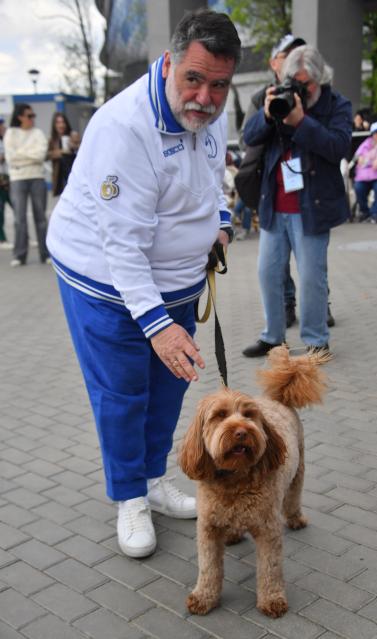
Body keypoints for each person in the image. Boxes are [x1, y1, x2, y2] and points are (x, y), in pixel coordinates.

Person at [46, 9, 241, 558]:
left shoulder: (210, 112)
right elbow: (122, 245)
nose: (204, 96)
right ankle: (129, 495)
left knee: (169, 387)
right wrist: (156, 326)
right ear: (169, 62)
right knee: (123, 392)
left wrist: (220, 222)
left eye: (218, 85)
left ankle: (154, 479)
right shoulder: (123, 127)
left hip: (177, 279)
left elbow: (211, 178)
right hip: (104, 280)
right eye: (194, 79)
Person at [242, 45, 352, 359]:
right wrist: (266, 114)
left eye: (308, 83)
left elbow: (338, 147)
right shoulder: (277, 94)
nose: (301, 89)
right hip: (274, 204)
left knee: (311, 278)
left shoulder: (336, 104)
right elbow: (249, 136)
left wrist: (302, 121)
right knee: (267, 273)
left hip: (311, 207)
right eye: (296, 81)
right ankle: (273, 338)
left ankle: (317, 341)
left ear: (321, 79)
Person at [239, 35, 306, 328]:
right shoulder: (260, 96)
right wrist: (268, 113)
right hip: (273, 188)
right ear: (273, 62)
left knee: (311, 262)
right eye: (286, 54)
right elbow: (249, 136)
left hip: (308, 191)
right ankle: (286, 306)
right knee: (272, 265)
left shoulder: (312, 91)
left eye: (297, 53)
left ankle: (320, 304)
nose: (292, 58)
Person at [3, 103, 49, 266]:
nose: (32, 119)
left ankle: (46, 253)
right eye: (29, 116)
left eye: (33, 115)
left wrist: (21, 155)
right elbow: (10, 158)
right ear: (19, 117)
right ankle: (19, 255)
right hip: (17, 179)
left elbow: (41, 154)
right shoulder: (11, 133)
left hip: (37, 177)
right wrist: (31, 156)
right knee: (19, 218)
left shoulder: (38, 133)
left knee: (41, 217)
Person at [48, 112, 80, 196]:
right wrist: (61, 151)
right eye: (58, 122)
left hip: (73, 172)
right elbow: (47, 155)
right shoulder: (52, 140)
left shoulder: (73, 135)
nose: (61, 125)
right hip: (60, 174)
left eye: (63, 122)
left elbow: (82, 150)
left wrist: (74, 146)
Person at [0, 117, 13, 249]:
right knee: (1, 210)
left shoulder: (5, 139)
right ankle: (1, 239)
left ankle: (25, 237)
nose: (3, 127)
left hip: (7, 178)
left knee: (16, 207)